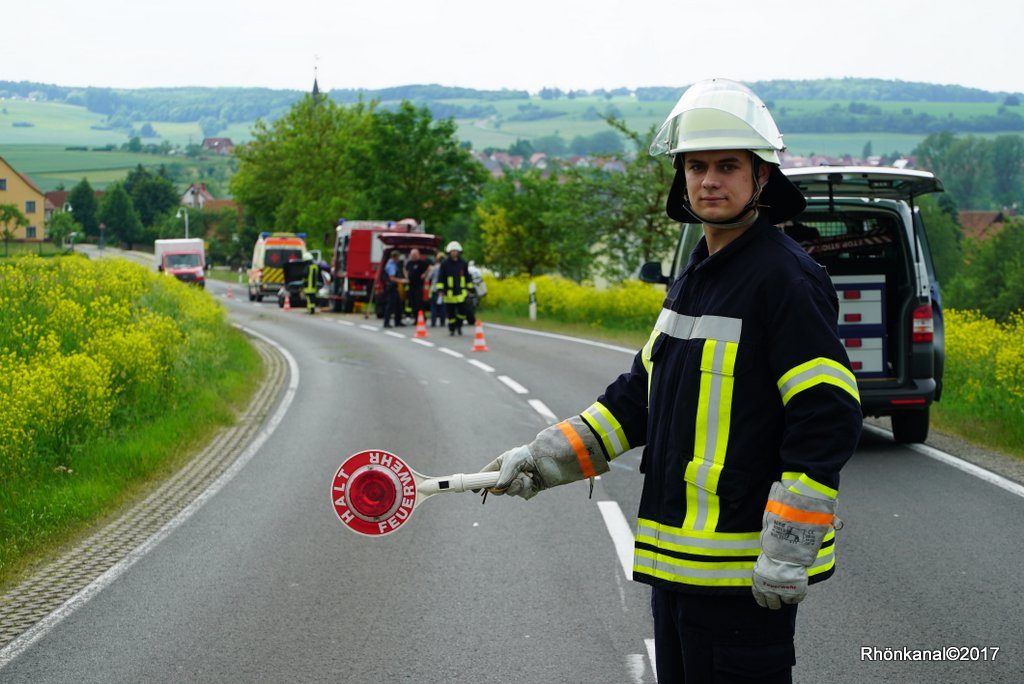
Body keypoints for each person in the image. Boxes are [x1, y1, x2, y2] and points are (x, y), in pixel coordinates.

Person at [479, 79, 863, 683]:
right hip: (678, 571)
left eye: (728, 166)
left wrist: (789, 545)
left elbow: (828, 413)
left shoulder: (784, 280)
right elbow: (640, 399)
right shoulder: (697, 277)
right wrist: (544, 457)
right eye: (696, 166)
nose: (710, 180)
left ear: (762, 179)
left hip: (742, 579)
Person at [435, 241, 475, 336]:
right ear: (449, 252)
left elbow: (467, 276)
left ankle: (459, 326)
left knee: (462, 312)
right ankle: (452, 329)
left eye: (456, 251)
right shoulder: (444, 264)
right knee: (450, 313)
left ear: (459, 252)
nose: (454, 253)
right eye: (453, 251)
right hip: (449, 293)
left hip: (461, 292)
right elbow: (441, 278)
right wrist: (440, 290)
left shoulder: (463, 263)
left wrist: (470, 288)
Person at [404, 248, 430, 322]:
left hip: (419, 285)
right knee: (412, 302)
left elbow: (429, 268)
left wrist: (424, 274)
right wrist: (406, 276)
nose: (413, 256)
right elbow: (405, 269)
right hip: (411, 285)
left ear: (418, 255)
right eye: (412, 255)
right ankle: (415, 318)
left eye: (415, 255)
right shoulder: (409, 263)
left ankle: (421, 318)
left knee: (419, 303)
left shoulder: (422, 263)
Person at [381, 251, 407, 328]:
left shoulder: (393, 264)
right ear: (394, 257)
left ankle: (398, 321)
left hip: (393, 287)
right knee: (390, 305)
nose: (399, 259)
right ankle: (386, 322)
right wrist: (401, 281)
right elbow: (392, 278)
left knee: (398, 304)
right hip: (391, 287)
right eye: (398, 257)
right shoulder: (391, 265)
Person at [429, 253, 446, 327]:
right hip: (443, 289)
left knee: (434, 306)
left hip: (434, 288)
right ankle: (442, 322)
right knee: (442, 306)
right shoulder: (446, 267)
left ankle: (433, 322)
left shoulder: (434, 268)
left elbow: (429, 277)